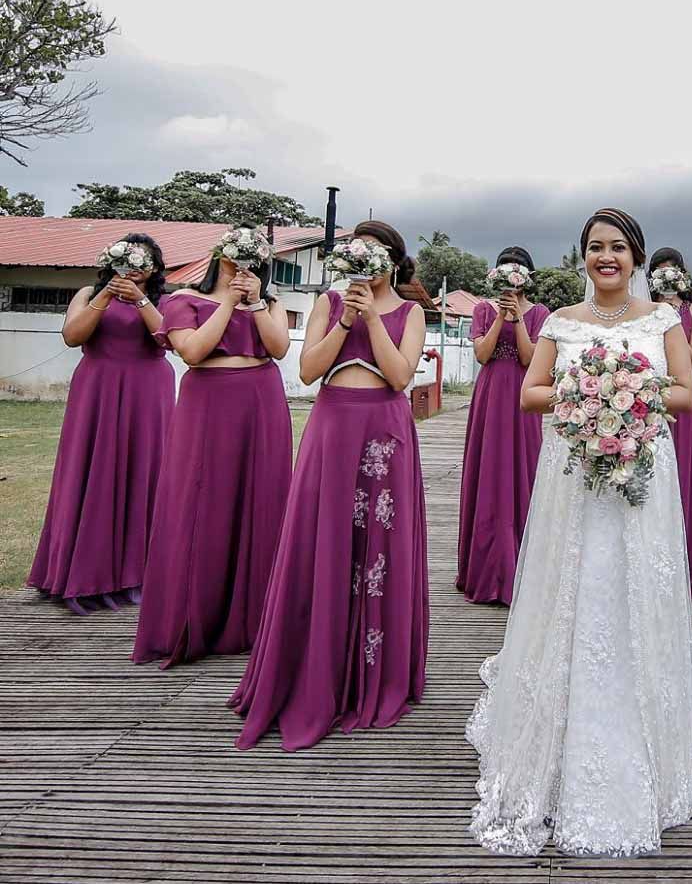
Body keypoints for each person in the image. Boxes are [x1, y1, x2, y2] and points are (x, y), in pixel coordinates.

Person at [467, 209, 692, 856]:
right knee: (583, 590)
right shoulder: (560, 321)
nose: (607, 257)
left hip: (644, 478)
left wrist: (630, 386)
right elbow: (529, 392)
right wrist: (590, 388)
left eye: (618, 247)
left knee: (632, 596)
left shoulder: (663, 321)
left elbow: (683, 390)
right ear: (583, 256)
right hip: (574, 482)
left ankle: (645, 737)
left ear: (636, 257)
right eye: (596, 247)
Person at [230, 221, 428, 749]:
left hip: (384, 428)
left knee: (377, 550)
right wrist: (344, 320)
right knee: (322, 540)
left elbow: (401, 376)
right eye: (357, 253)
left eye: (376, 254)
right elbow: (310, 369)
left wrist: (373, 320)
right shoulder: (326, 303)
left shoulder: (412, 311)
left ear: (391, 260)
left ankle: (374, 672)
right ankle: (314, 664)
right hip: (333, 425)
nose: (365, 263)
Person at [132, 226, 292, 669]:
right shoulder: (183, 301)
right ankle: (195, 614)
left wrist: (256, 302)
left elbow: (278, 348)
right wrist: (227, 301)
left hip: (262, 399)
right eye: (237, 257)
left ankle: (258, 617)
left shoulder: (271, 304)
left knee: (262, 500)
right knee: (201, 501)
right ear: (221, 257)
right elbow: (194, 352)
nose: (244, 267)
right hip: (209, 401)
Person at [28, 235, 174, 614]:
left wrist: (140, 299)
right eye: (128, 259)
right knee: (88, 471)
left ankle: (138, 572)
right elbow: (73, 335)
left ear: (155, 268)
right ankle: (79, 572)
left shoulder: (165, 301)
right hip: (97, 388)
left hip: (147, 391)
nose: (136, 267)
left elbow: (168, 340)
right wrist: (106, 295)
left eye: (145, 262)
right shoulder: (88, 293)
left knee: (145, 472)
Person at [456, 247, 550, 605]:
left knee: (522, 470)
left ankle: (522, 568)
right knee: (488, 471)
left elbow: (529, 357)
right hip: (490, 392)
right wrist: (500, 317)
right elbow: (482, 355)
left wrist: (517, 319)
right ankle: (481, 566)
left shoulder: (541, 313)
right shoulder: (482, 309)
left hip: (524, 395)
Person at [648, 246, 692, 599]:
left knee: (683, 483)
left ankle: (683, 574)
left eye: (672, 271)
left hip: (682, 402)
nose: (667, 278)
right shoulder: (643, 311)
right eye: (660, 272)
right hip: (650, 400)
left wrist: (673, 321)